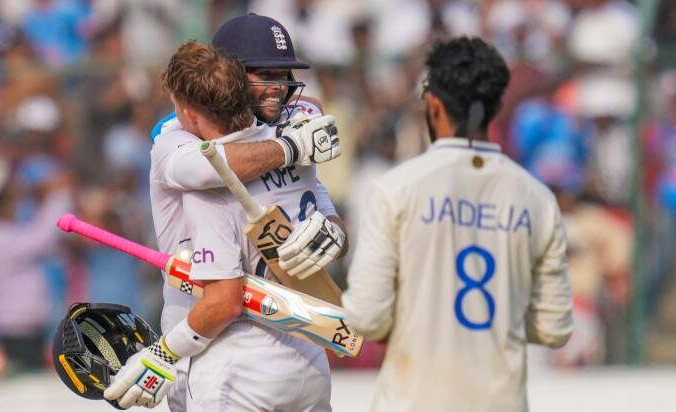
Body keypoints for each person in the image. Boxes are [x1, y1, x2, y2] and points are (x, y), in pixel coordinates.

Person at [104, 41, 345, 410]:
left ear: (189, 112)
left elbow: (225, 301)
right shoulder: (294, 136)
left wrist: (161, 354)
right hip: (307, 357)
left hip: (231, 361)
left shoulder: (204, 181)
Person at [342, 37, 574, 412]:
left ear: (432, 104)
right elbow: (554, 328)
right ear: (498, 106)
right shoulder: (537, 198)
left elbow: (368, 317)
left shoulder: (395, 189)